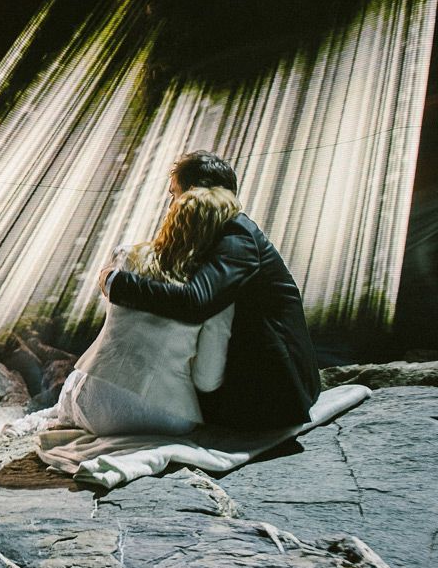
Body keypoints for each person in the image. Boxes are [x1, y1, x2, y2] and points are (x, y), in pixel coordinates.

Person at [100, 151, 321, 430]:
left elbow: (195, 302)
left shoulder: (236, 235)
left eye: (174, 194)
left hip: (278, 394)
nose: (171, 206)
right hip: (258, 377)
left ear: (196, 192)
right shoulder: (219, 232)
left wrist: (117, 282)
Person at [58, 185, 240, 436]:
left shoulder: (126, 257)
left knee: (76, 380)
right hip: (167, 418)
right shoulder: (215, 291)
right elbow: (206, 380)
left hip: (96, 409)